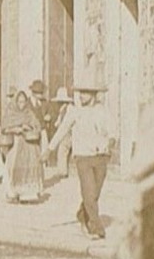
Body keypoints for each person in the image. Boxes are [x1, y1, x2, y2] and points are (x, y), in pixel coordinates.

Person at [47, 70, 113, 239]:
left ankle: (82, 214)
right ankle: (96, 227)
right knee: (89, 192)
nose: (82, 96)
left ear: (93, 94)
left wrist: (109, 146)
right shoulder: (75, 112)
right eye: (81, 92)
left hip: (101, 157)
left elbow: (112, 133)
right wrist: (49, 149)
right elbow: (62, 130)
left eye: (86, 92)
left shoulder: (103, 111)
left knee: (95, 193)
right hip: (83, 157)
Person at [2, 89, 45, 204]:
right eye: (19, 102)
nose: (21, 105)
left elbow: (37, 126)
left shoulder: (29, 113)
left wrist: (29, 127)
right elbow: (5, 128)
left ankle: (28, 195)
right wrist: (17, 129)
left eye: (23, 102)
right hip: (15, 144)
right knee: (13, 167)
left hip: (29, 143)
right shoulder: (10, 112)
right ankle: (13, 193)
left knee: (30, 167)